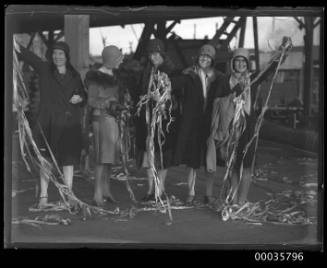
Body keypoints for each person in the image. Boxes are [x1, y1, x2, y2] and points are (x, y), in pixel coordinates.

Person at [207, 37, 291, 205]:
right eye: (237, 61)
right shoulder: (224, 81)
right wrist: (232, 96)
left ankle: (241, 201)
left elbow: (270, 68)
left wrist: (283, 51)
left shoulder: (253, 79)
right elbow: (215, 103)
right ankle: (234, 198)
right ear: (232, 63)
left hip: (248, 128)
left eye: (243, 61)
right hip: (229, 130)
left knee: (245, 166)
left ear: (247, 64)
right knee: (232, 165)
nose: (240, 64)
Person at [16, 41, 86, 208]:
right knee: (45, 160)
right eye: (54, 53)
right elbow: (28, 56)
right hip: (48, 122)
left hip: (69, 124)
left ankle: (68, 195)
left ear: (66, 56)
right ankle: (43, 197)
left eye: (61, 54)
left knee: (68, 161)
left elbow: (82, 93)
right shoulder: (45, 69)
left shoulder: (74, 75)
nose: (57, 57)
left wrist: (80, 97)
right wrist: (14, 43)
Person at [170, 44, 227, 205]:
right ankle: (191, 192)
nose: (204, 59)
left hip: (211, 123)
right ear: (197, 57)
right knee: (193, 160)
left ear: (212, 60)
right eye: (202, 56)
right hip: (194, 123)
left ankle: (208, 193)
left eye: (208, 57)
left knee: (210, 160)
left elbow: (227, 93)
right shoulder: (190, 75)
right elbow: (173, 84)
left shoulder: (219, 77)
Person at [134, 39, 178, 201]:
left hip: (164, 120)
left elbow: (176, 95)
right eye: (151, 54)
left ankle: (160, 189)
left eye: (156, 54)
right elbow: (139, 91)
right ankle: (150, 189)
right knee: (149, 154)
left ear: (162, 54)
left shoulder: (171, 71)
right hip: (146, 120)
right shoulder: (146, 72)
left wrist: (164, 100)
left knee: (162, 153)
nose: (153, 57)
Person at [84, 45, 126, 206]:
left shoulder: (114, 75)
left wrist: (119, 105)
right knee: (102, 157)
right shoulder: (96, 77)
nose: (121, 61)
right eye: (118, 58)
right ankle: (97, 193)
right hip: (101, 119)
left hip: (112, 120)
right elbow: (91, 101)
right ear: (111, 58)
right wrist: (110, 103)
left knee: (109, 157)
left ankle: (107, 190)